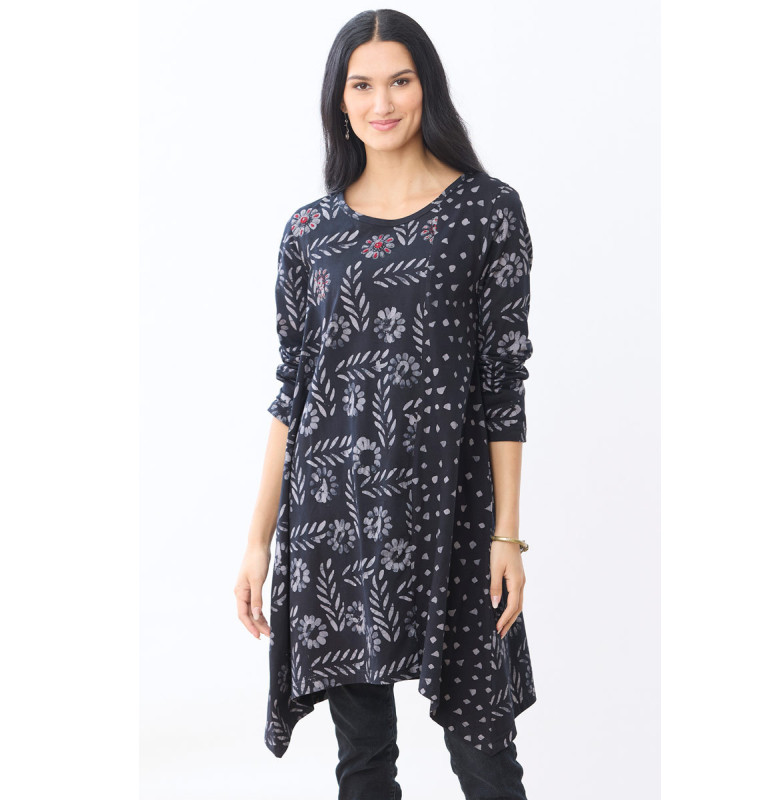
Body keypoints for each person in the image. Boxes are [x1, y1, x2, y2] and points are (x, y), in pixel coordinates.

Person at [235, 9, 536, 799]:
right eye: (361, 85)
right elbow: (294, 392)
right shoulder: (311, 232)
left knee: (485, 756)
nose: (382, 102)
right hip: (334, 522)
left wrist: (507, 536)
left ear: (426, 87)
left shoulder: (486, 212)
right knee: (363, 763)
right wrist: (258, 542)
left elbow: (503, 383)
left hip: (454, 516)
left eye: (399, 81)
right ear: (340, 100)